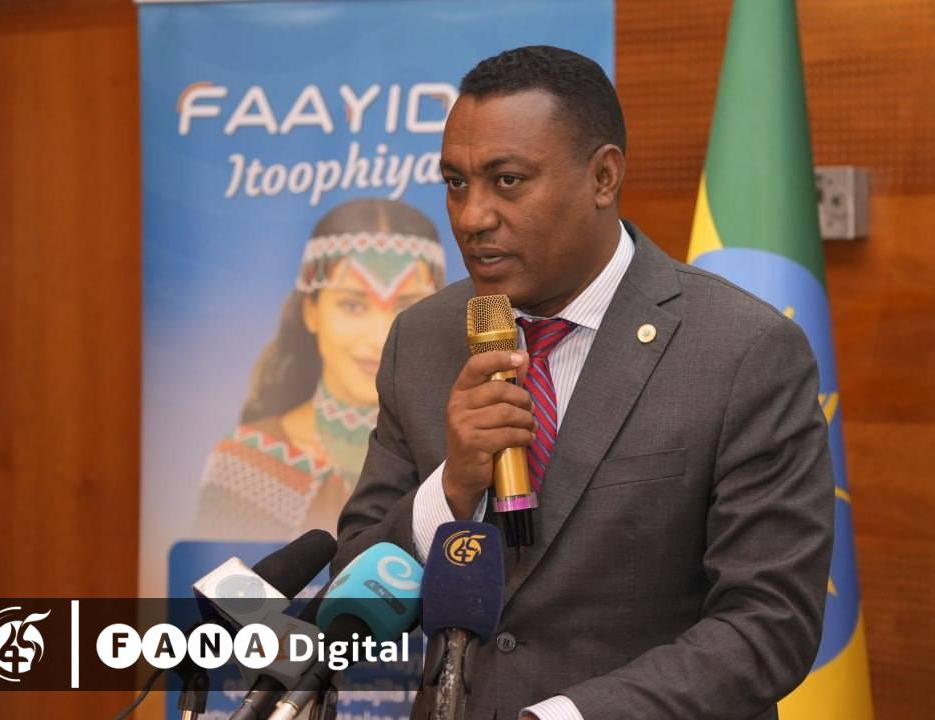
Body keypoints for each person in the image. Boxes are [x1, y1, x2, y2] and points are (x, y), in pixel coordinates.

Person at [335, 46, 834, 719]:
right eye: (455, 182)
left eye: (507, 181)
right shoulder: (421, 340)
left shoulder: (741, 350)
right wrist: (451, 487)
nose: (472, 216)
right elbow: (354, 598)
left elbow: (769, 624)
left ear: (603, 177)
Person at [193, 198, 446, 540]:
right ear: (311, 312)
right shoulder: (247, 463)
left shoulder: (463, 450)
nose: (380, 337)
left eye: (406, 308)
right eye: (353, 305)